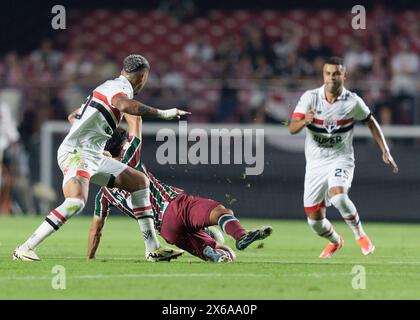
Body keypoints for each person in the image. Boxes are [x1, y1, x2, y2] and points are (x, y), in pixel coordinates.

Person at [13, 54, 189, 261]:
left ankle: (152, 249)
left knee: (139, 182)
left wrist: (94, 143)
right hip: (77, 153)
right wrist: (165, 114)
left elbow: (75, 115)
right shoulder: (120, 91)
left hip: (91, 153)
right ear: (143, 77)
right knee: (75, 203)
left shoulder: (109, 86)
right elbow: (124, 105)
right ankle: (25, 247)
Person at [88, 114, 272, 262]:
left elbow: (96, 229)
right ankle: (240, 236)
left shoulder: (104, 195)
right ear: (121, 148)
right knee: (220, 212)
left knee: (220, 251)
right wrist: (118, 103)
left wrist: (90, 257)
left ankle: (213, 252)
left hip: (167, 231)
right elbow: (135, 118)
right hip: (176, 206)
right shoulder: (129, 161)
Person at [288, 56, 398, 258]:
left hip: (341, 159)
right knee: (314, 221)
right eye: (328, 73)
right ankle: (336, 241)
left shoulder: (353, 101)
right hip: (315, 164)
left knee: (338, 196)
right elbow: (292, 128)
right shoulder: (310, 98)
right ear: (323, 75)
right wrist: (305, 121)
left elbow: (371, 122)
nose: (332, 78)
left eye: (336, 73)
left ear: (344, 75)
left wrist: (385, 149)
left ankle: (361, 237)